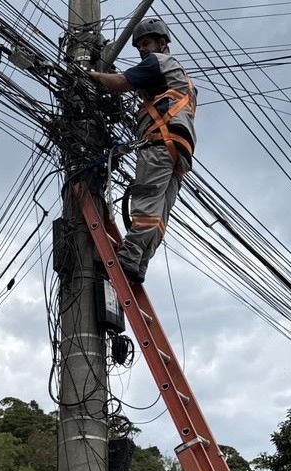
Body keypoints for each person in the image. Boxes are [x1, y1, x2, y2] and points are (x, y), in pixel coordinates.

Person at [89, 16, 196, 285]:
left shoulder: (156, 63)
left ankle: (129, 256)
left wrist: (90, 75)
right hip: (181, 152)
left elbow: (120, 83)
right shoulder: (182, 78)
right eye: (139, 47)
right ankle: (141, 263)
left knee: (147, 201)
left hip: (160, 143)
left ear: (162, 43)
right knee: (160, 214)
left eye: (146, 43)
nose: (142, 50)